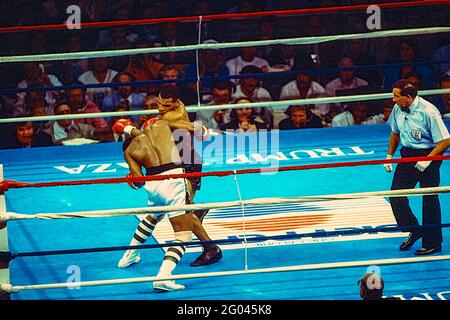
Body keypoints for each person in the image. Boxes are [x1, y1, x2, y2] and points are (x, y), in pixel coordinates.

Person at [115, 85, 222, 269]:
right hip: (174, 162)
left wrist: (127, 129)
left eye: (165, 105)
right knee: (159, 211)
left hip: (184, 163)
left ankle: (211, 248)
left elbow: (150, 132)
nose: (161, 108)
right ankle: (131, 254)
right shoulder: (166, 115)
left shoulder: (172, 117)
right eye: (159, 103)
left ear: (177, 103)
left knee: (182, 209)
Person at [112, 118, 196, 291]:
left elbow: (139, 182)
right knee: (184, 235)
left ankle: (130, 255)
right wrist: (127, 128)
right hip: (173, 179)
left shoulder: (129, 150)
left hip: (153, 184)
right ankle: (163, 276)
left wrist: (132, 179)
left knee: (154, 215)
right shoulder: (160, 130)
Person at [384, 79, 450, 255]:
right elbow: (395, 132)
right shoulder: (398, 108)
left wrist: (427, 160)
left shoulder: (429, 112)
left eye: (396, 96)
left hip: (430, 154)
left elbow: (445, 140)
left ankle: (433, 243)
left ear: (408, 97)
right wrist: (389, 155)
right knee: (395, 196)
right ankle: (415, 229)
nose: (393, 100)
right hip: (408, 155)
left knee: (429, 198)